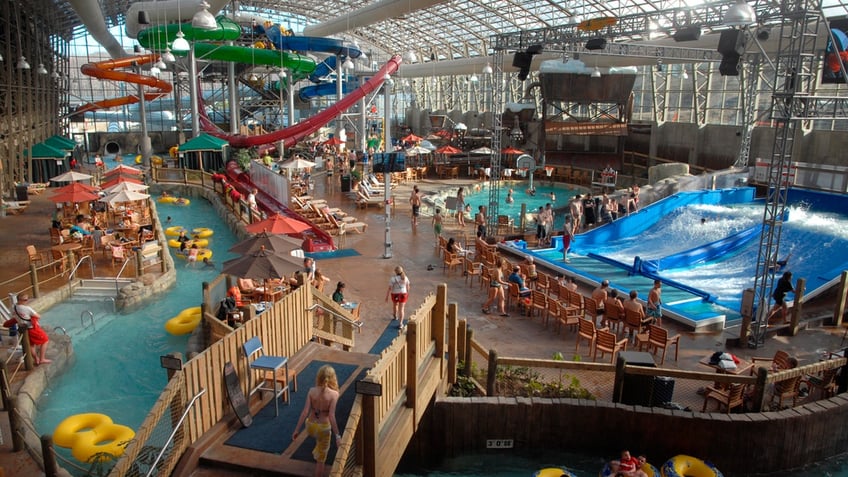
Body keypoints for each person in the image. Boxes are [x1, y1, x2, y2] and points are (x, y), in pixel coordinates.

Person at [292, 364, 341, 477]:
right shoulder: (334, 395)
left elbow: (305, 412)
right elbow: (332, 416)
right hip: (323, 428)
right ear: (333, 378)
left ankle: (318, 450)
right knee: (321, 460)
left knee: (318, 439)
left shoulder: (311, 391)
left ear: (318, 377)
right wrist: (337, 436)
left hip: (310, 427)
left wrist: (297, 430)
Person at [12, 294, 51, 365]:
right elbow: (38, 316)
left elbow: (14, 316)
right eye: (25, 300)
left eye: (27, 299)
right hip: (32, 328)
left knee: (31, 345)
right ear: (20, 300)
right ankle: (42, 359)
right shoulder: (26, 308)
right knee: (45, 340)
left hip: (23, 329)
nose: (27, 301)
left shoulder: (14, 307)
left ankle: (36, 359)